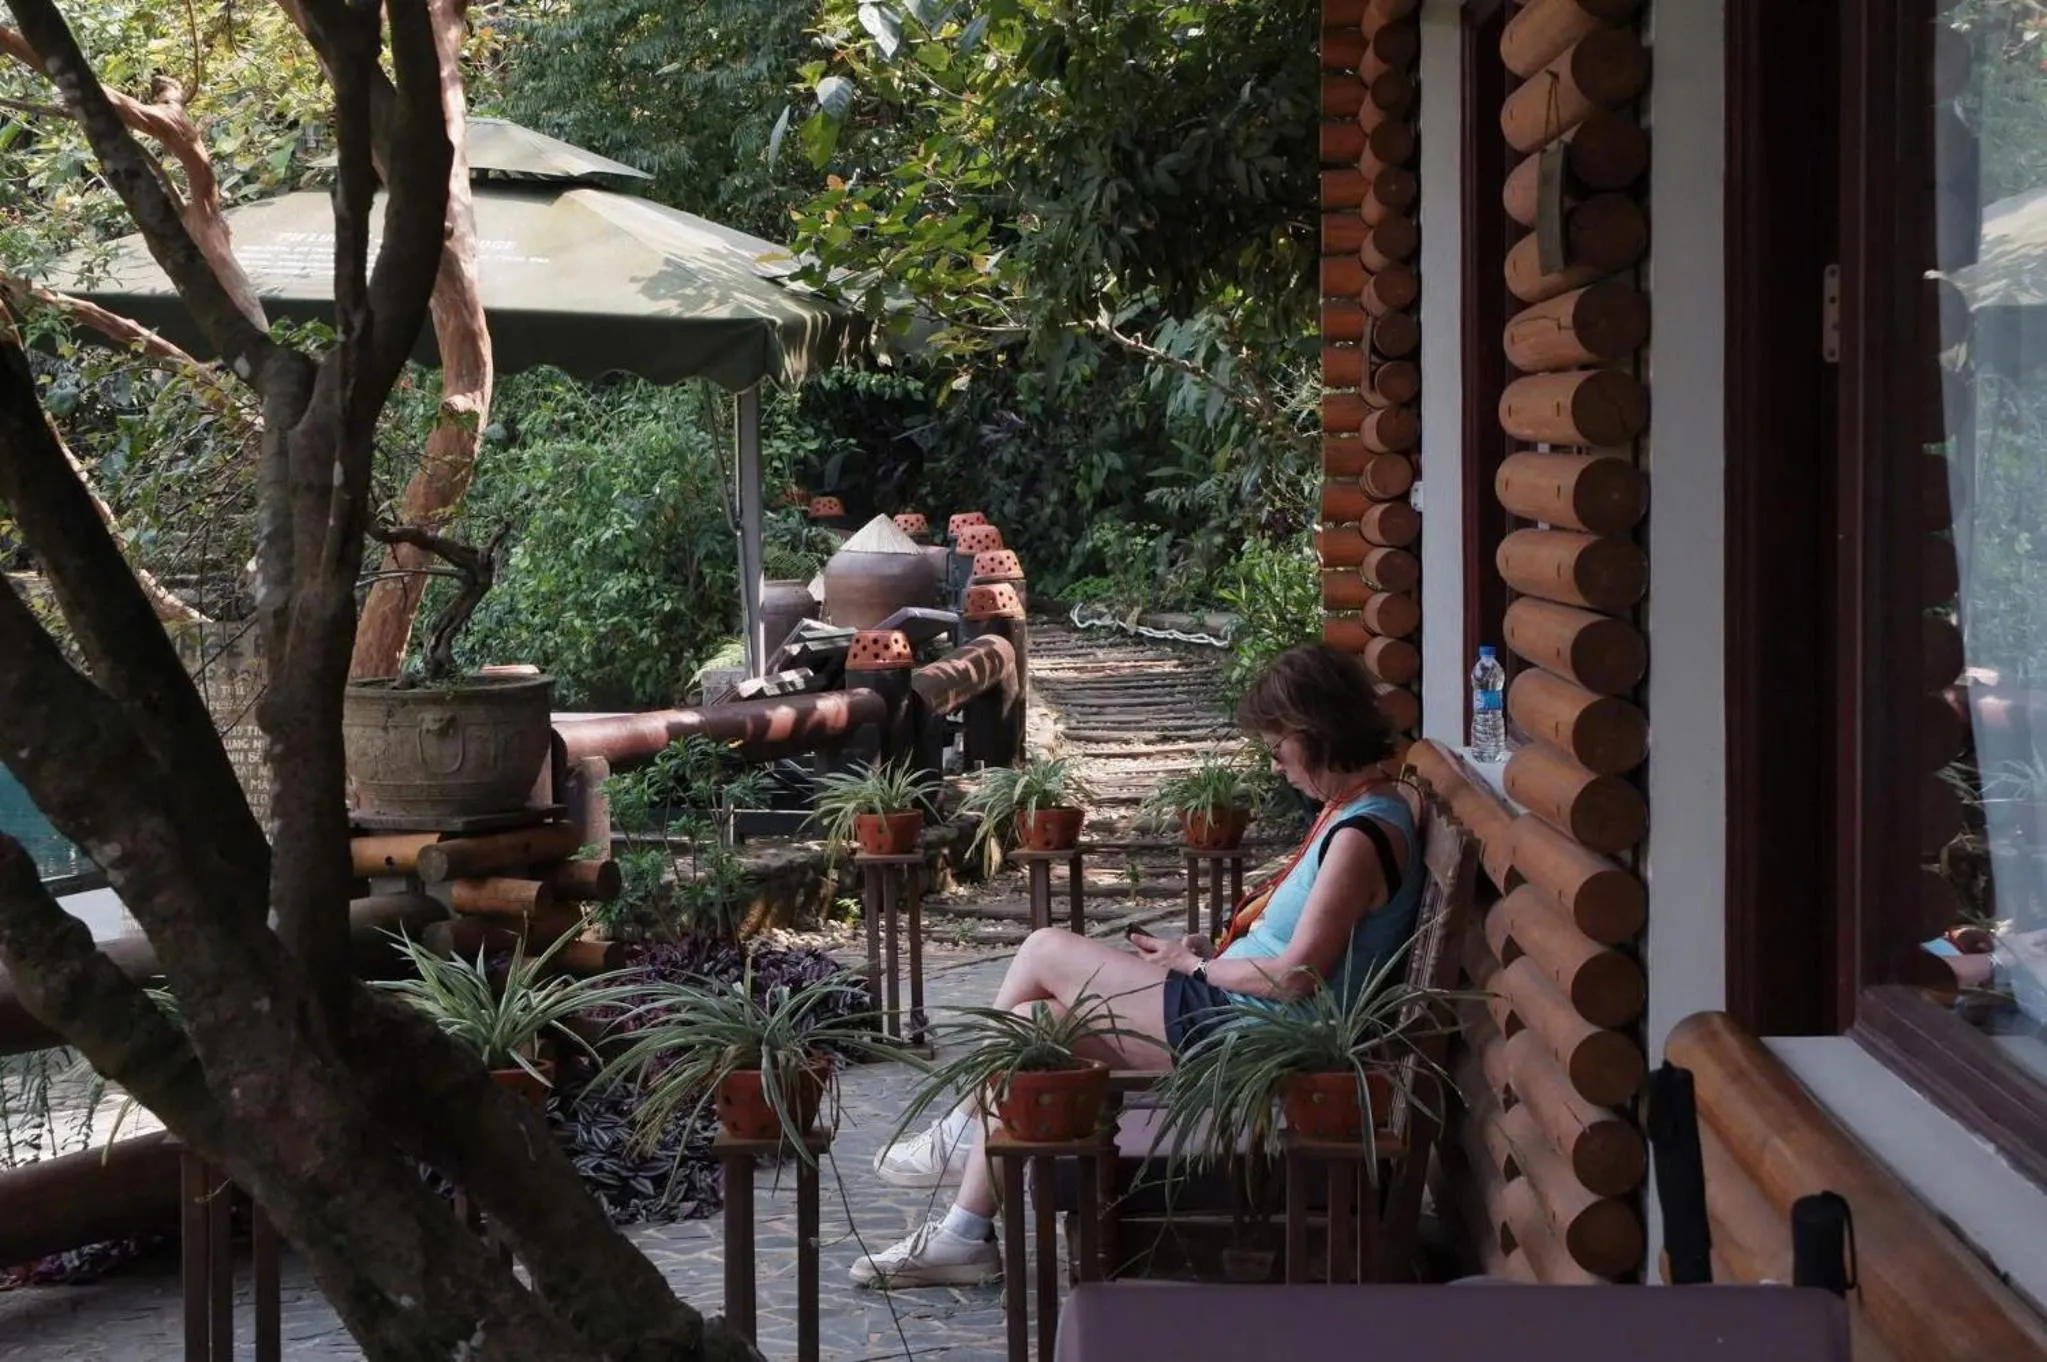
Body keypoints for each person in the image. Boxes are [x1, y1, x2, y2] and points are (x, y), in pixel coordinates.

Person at [849, 644, 1424, 1288]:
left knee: (1043, 948)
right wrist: (1211, 956)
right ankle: (965, 1233)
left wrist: (1195, 968)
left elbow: (1296, 976)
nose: (1275, 763)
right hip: (1239, 1009)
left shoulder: (1361, 836)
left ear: (1318, 735)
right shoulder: (1352, 812)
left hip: (1258, 1032)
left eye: (1279, 745)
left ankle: (961, 1135)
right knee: (1038, 1022)